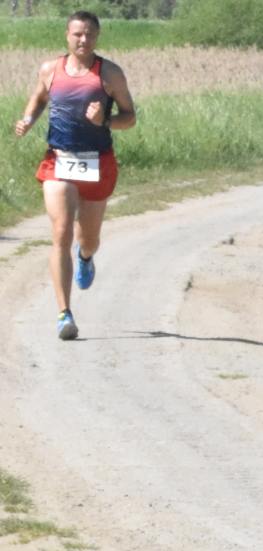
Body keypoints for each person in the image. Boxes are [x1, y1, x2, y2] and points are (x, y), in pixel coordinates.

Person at [12, 9, 135, 342]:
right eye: (77, 34)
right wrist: (28, 120)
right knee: (61, 231)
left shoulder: (109, 73)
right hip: (59, 160)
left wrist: (104, 120)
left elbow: (130, 117)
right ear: (67, 35)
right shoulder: (50, 69)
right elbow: (39, 98)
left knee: (88, 239)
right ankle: (64, 313)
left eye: (89, 34)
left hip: (97, 162)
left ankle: (86, 257)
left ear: (97, 36)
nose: (83, 39)